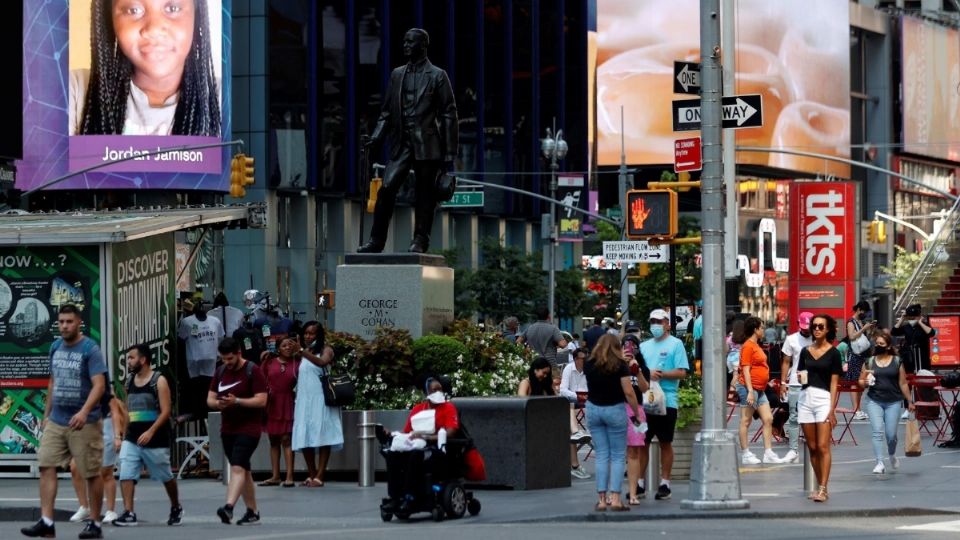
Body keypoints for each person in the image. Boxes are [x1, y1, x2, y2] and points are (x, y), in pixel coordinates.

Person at [358, 28, 458, 254]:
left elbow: (449, 114)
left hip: (427, 145)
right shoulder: (397, 74)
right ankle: (376, 241)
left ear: (423, 45)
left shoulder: (438, 75)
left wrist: (450, 153)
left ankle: (420, 240)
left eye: (410, 42)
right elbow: (386, 113)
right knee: (387, 189)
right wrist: (375, 137)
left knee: (425, 195)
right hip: (402, 143)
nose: (405, 45)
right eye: (404, 41)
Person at [70, 0, 220, 136]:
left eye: (173, 8)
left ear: (197, 14)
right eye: (133, 10)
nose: (154, 29)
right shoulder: (72, 92)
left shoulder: (225, 99)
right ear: (110, 18)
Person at [22, 305, 108, 539]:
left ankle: (95, 523)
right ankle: (47, 520)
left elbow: (99, 385)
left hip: (85, 422)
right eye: (61, 322)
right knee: (45, 464)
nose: (64, 326)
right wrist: (45, 414)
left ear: (79, 322)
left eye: (69, 321)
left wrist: (84, 412)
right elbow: (52, 382)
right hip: (57, 420)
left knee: (90, 472)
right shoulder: (55, 347)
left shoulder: (90, 349)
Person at [113, 344, 182, 527]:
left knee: (165, 475)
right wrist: (122, 434)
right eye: (128, 358)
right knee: (126, 471)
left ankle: (176, 506)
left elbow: (166, 411)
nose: (128, 361)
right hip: (133, 437)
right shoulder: (129, 381)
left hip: (156, 437)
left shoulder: (158, 381)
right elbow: (128, 410)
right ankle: (129, 512)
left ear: (143, 359)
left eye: (131, 358)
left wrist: (151, 432)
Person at [207, 337, 268, 525]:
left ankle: (229, 507)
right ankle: (252, 511)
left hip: (249, 428)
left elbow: (262, 400)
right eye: (223, 359)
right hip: (228, 428)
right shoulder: (220, 371)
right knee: (244, 470)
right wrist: (220, 404)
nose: (227, 363)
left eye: (230, 359)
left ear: (239, 353)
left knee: (237, 467)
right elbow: (209, 399)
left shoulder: (253, 370)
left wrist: (238, 401)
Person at [382, 377, 460, 513]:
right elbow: (406, 432)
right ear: (427, 393)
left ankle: (409, 497)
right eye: (435, 390)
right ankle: (395, 497)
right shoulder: (418, 409)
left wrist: (428, 437)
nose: (439, 392)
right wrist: (392, 434)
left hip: (436, 448)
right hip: (416, 445)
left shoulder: (448, 408)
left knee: (416, 455)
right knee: (392, 455)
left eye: (440, 389)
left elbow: (451, 432)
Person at [584, 334, 643, 512]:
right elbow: (629, 392)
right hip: (615, 409)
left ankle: (601, 500)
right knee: (618, 455)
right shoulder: (620, 365)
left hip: (593, 409)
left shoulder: (589, 364)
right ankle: (616, 498)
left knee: (602, 454)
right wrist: (635, 412)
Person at [637, 309, 689, 501]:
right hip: (645, 398)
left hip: (667, 400)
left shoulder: (676, 344)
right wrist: (645, 374)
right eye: (652, 321)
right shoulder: (643, 346)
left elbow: (682, 372)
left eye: (659, 321)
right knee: (643, 442)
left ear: (667, 324)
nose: (655, 325)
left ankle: (665, 483)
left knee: (665, 442)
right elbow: (637, 371)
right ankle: (640, 483)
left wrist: (662, 374)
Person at [797, 314, 843, 503]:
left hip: (823, 398)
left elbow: (834, 383)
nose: (816, 329)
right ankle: (819, 485)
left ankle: (823, 488)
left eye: (820, 327)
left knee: (823, 446)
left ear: (828, 330)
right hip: (805, 397)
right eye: (814, 326)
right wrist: (800, 377)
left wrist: (832, 409)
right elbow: (800, 373)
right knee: (812, 447)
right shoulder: (805, 351)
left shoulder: (834, 353)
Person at [292, 322, 343, 487]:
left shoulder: (326, 350)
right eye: (306, 333)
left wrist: (301, 351)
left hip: (321, 399)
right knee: (305, 434)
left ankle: (320, 475)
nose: (308, 336)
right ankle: (312, 474)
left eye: (312, 334)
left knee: (323, 434)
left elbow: (322, 363)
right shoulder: (305, 352)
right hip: (304, 399)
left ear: (319, 335)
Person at [858, 330, 915, 474]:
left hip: (893, 401)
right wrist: (864, 382)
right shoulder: (869, 361)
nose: (878, 346)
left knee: (891, 435)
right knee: (877, 431)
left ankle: (891, 454)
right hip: (874, 400)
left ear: (888, 346)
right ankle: (879, 462)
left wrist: (910, 401)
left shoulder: (896, 362)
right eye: (876, 343)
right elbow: (860, 381)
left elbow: (903, 383)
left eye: (881, 344)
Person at [68, 390, 125, 526]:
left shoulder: (104, 390)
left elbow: (116, 413)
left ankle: (110, 511)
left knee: (105, 473)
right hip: (86, 429)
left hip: (105, 429)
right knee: (75, 467)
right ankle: (84, 507)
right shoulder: (81, 389)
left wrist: (117, 436)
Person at [736, 317, 784, 465]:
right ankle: (745, 453)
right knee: (746, 420)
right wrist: (750, 391)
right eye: (761, 328)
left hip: (760, 388)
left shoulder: (755, 345)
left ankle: (768, 452)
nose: (763, 330)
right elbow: (745, 369)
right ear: (755, 329)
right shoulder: (748, 346)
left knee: (768, 419)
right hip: (748, 388)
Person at [259, 336, 301, 488]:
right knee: (273, 440)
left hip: (287, 401)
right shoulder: (269, 362)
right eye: (284, 346)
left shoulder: (297, 362)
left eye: (290, 345)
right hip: (272, 402)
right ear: (278, 349)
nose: (288, 348)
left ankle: (289, 476)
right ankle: (275, 475)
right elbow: (260, 380)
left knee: (286, 439)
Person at [178, 303, 225, 420]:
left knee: (209, 387)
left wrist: (220, 356)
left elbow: (220, 338)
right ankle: (197, 412)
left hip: (211, 361)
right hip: (194, 361)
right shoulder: (187, 322)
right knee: (196, 388)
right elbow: (181, 340)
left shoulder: (215, 321)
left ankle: (208, 412)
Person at [779, 311, 814, 464]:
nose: (806, 330)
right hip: (795, 382)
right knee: (793, 417)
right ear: (799, 324)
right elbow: (786, 362)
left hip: (813, 383)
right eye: (804, 326)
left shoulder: (818, 339)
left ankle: (811, 448)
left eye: (809, 327)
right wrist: (782, 383)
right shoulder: (791, 339)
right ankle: (793, 450)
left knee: (811, 417)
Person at [621, 336, 650, 505]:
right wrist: (621, 366)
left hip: (638, 411)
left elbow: (645, 388)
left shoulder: (641, 367)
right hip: (619, 408)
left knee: (636, 450)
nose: (629, 350)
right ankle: (615, 491)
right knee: (618, 452)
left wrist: (637, 371)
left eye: (632, 346)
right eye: (625, 346)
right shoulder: (616, 366)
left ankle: (635, 488)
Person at [558, 348, 592, 480]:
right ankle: (577, 431)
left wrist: (586, 396)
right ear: (576, 359)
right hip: (572, 400)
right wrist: (578, 396)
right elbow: (563, 390)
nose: (586, 361)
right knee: (569, 404)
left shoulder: (589, 369)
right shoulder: (568, 369)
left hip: (587, 400)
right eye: (583, 359)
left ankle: (589, 432)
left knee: (594, 405)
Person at [845, 300, 876, 420]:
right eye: (863, 311)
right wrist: (864, 329)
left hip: (861, 355)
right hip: (854, 355)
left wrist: (869, 329)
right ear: (858, 309)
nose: (864, 313)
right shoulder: (851, 322)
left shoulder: (859, 321)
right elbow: (852, 336)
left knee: (861, 382)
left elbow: (863, 339)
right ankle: (856, 410)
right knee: (854, 383)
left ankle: (858, 408)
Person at [892, 303, 936, 373]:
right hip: (909, 357)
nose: (911, 320)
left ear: (919, 316)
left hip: (922, 356)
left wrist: (920, 323)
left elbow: (931, 333)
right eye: (909, 318)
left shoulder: (924, 325)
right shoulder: (907, 327)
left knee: (923, 375)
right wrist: (902, 318)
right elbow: (894, 332)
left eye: (913, 318)